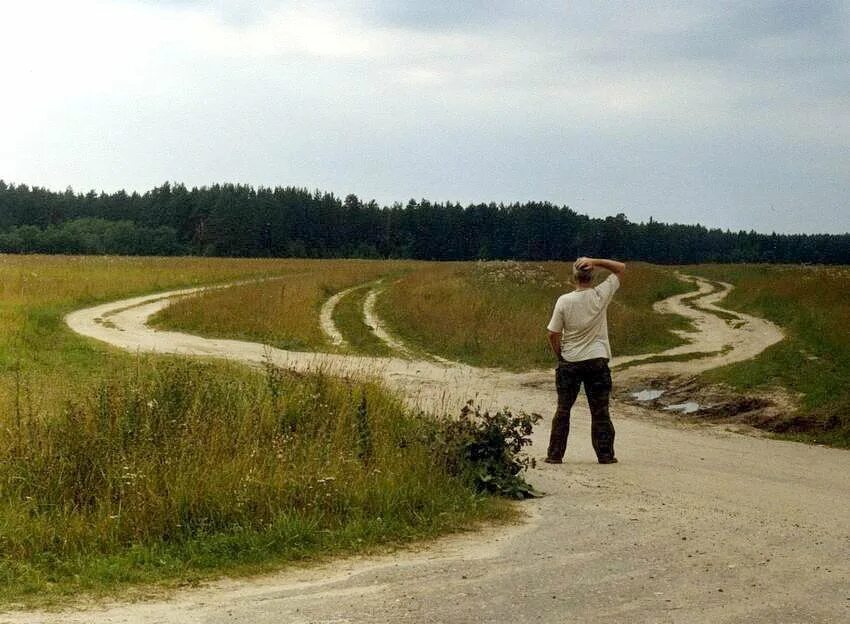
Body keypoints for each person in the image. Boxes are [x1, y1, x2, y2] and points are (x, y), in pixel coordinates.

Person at [544, 256, 626, 465]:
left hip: (570, 360)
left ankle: (555, 455)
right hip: (597, 359)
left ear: (574, 277)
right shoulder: (601, 294)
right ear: (592, 276)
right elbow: (620, 268)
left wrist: (560, 355)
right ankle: (605, 455)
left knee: (563, 409)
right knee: (600, 410)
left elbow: (553, 333)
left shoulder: (564, 301)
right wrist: (596, 261)